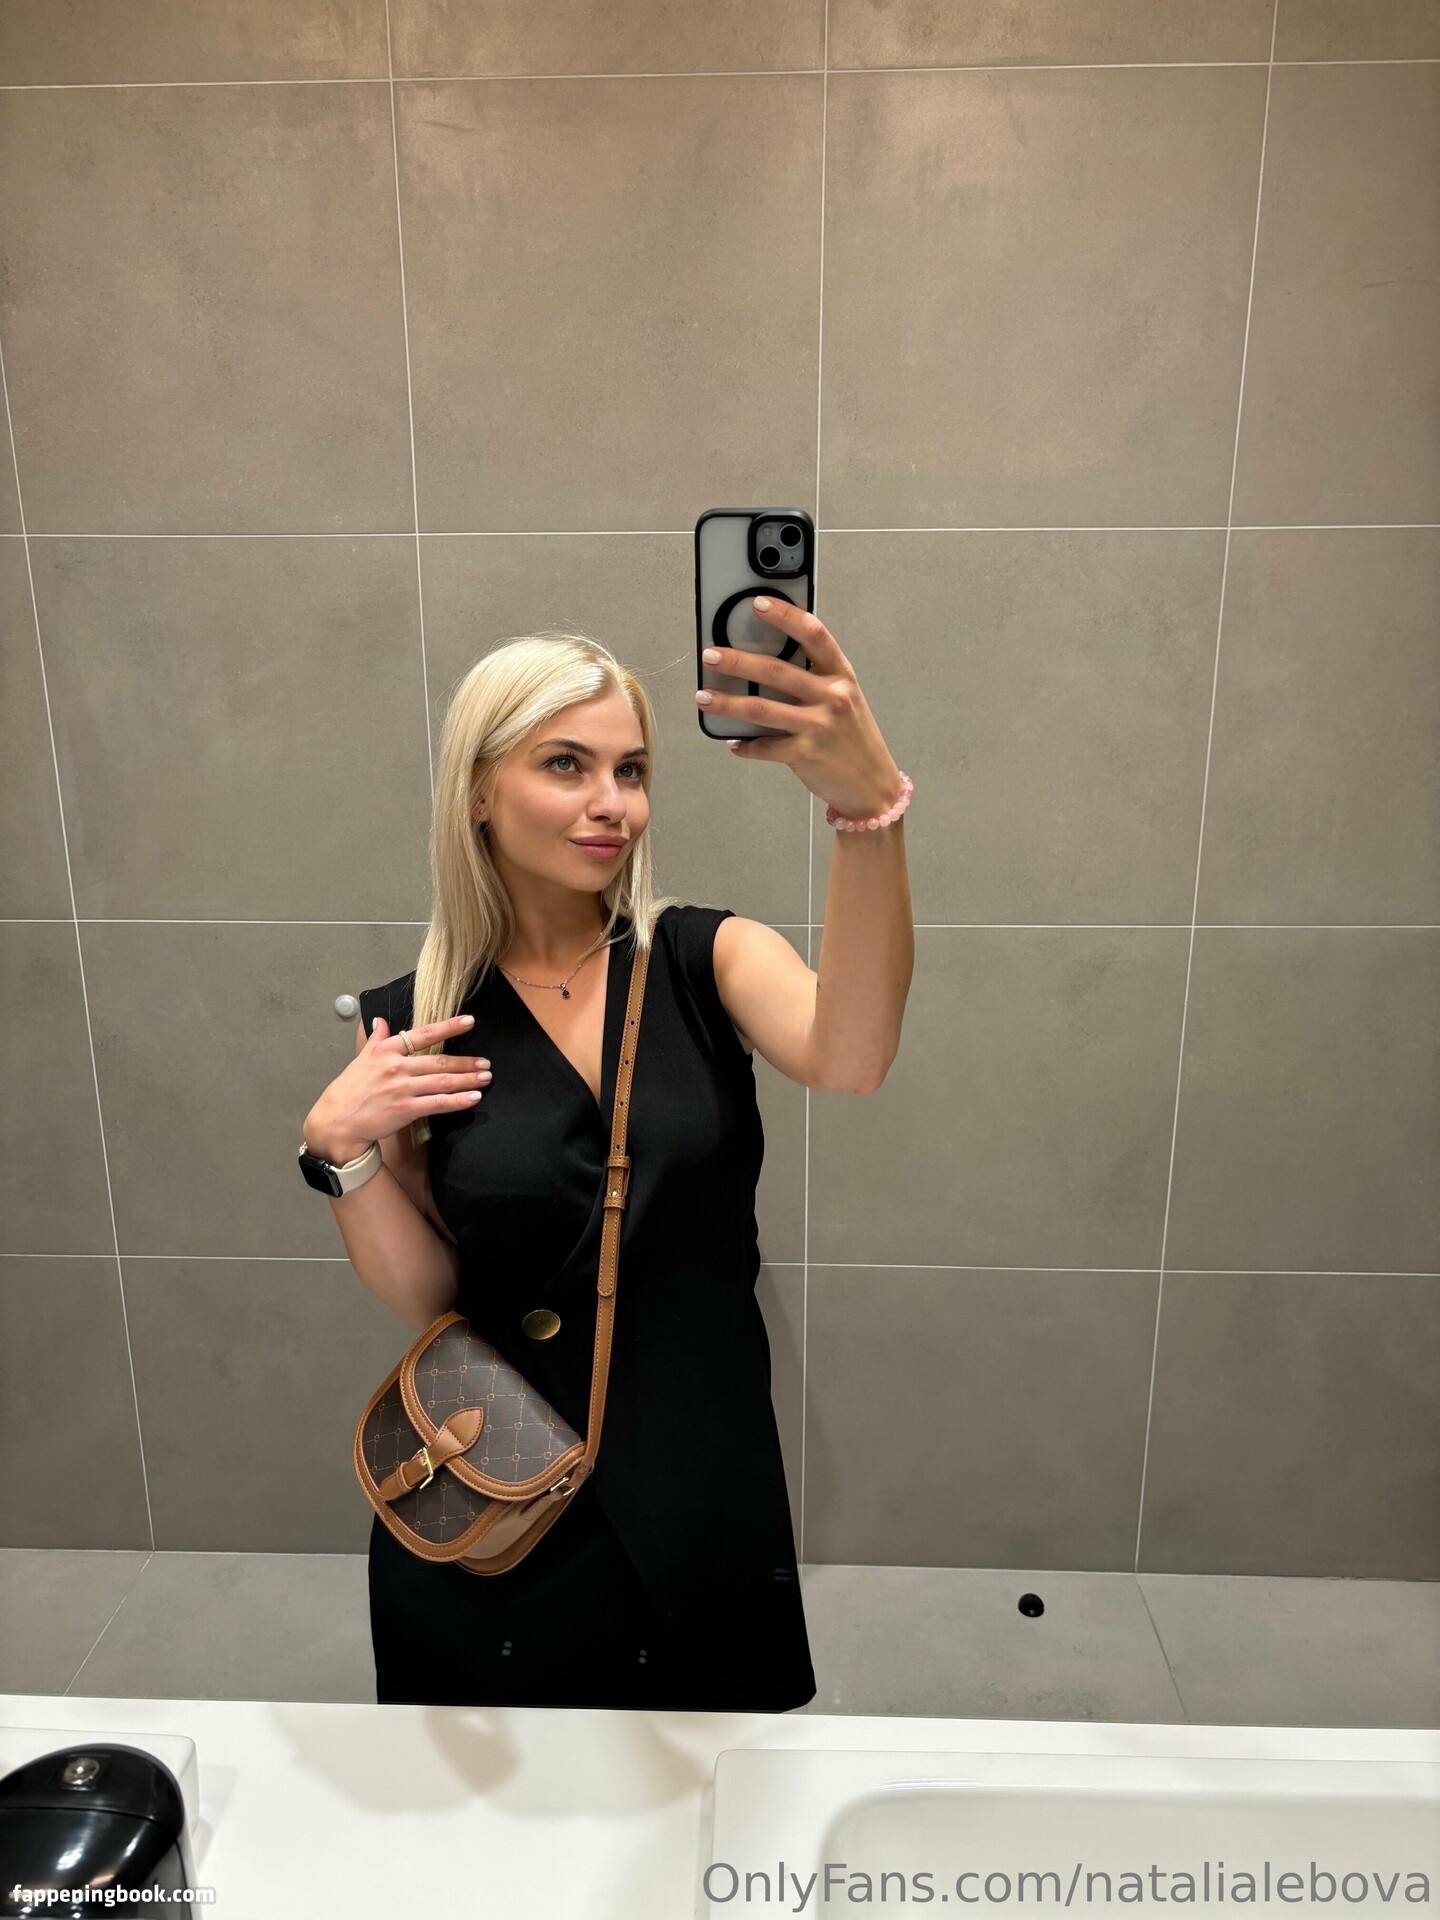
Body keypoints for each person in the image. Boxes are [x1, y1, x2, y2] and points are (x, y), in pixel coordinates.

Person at [302, 615, 912, 1708]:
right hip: (506, 1474)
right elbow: (435, 1296)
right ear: (478, 790)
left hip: (698, 1454)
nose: (612, 802)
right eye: (565, 765)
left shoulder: (707, 958)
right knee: (508, 1793)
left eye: (630, 770)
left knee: (710, 1775)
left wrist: (867, 817)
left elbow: (853, 1056)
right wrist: (339, 1154)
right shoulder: (420, 1018)